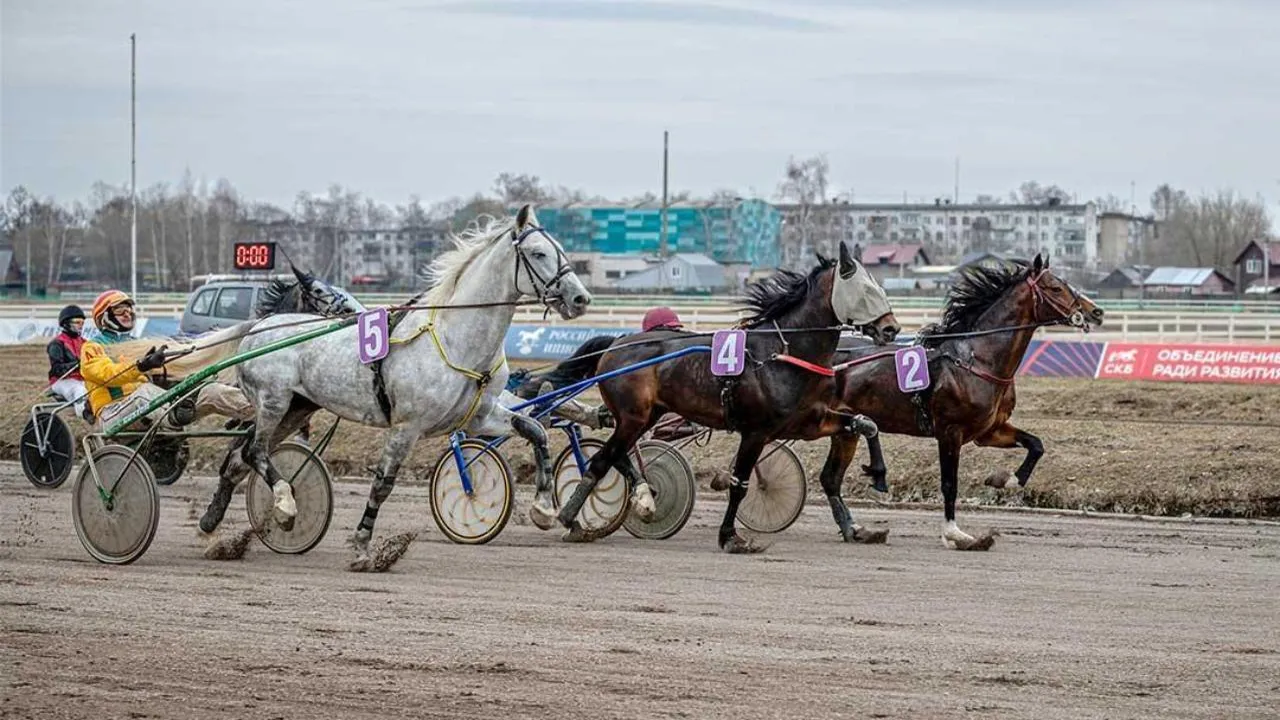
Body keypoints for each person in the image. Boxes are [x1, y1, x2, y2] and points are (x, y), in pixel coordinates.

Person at [80, 289, 256, 432]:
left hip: (148, 411)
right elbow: (107, 374)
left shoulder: (136, 343)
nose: (127, 314)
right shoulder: (92, 347)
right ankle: (175, 414)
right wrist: (143, 365)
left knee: (211, 390)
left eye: (129, 309)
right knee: (144, 392)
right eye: (119, 310)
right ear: (104, 316)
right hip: (111, 414)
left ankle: (259, 413)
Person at [46, 305, 91, 421]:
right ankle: (86, 415)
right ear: (66, 323)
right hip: (62, 381)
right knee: (80, 390)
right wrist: (76, 364)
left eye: (82, 322)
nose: (80, 325)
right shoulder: (56, 344)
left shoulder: (85, 343)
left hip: (81, 379)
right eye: (77, 322)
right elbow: (56, 369)